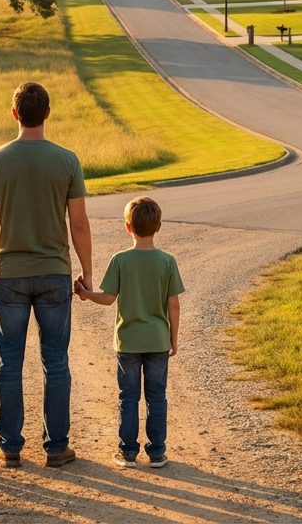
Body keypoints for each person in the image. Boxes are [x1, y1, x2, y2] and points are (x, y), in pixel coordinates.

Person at [0, 82, 91, 468]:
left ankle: (9, 446)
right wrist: (87, 274)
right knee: (55, 361)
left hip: (10, 275)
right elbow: (80, 225)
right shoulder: (67, 160)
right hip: (55, 273)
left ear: (14, 113)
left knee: (10, 362)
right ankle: (56, 447)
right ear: (48, 113)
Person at [74, 196, 184, 469]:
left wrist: (85, 294)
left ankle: (128, 453)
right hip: (158, 340)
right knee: (157, 397)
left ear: (127, 227)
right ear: (158, 226)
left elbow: (108, 298)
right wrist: (173, 337)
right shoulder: (167, 262)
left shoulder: (120, 260)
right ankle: (157, 452)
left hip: (128, 342)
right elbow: (174, 304)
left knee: (128, 397)